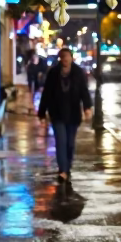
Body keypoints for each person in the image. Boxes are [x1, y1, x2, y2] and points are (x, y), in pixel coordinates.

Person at [37, 48, 92, 181]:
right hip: (57, 113)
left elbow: (84, 91)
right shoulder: (53, 73)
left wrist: (87, 107)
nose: (65, 59)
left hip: (73, 114)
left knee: (70, 143)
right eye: (63, 57)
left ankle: (68, 166)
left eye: (67, 57)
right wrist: (42, 113)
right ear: (60, 59)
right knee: (61, 141)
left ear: (72, 58)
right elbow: (46, 94)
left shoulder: (78, 72)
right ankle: (63, 170)